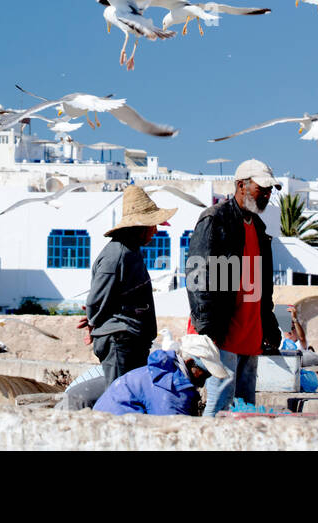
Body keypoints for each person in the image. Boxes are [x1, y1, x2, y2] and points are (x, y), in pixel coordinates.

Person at [186, 158, 281, 416]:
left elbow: (263, 284)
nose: (267, 195)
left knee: (244, 408)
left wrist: (269, 325)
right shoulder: (215, 219)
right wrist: (207, 327)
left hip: (250, 331)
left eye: (269, 190)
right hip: (223, 330)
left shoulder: (259, 228)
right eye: (262, 189)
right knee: (219, 404)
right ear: (241, 185)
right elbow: (198, 274)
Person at [78, 185, 175, 388]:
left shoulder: (130, 252)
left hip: (131, 340)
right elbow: (96, 301)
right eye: (152, 225)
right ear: (139, 227)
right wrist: (92, 321)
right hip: (119, 341)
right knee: (121, 396)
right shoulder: (116, 256)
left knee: (131, 396)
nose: (156, 230)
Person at [93, 334, 230, 416]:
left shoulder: (164, 374)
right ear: (189, 362)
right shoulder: (170, 389)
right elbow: (172, 434)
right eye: (203, 374)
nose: (203, 382)